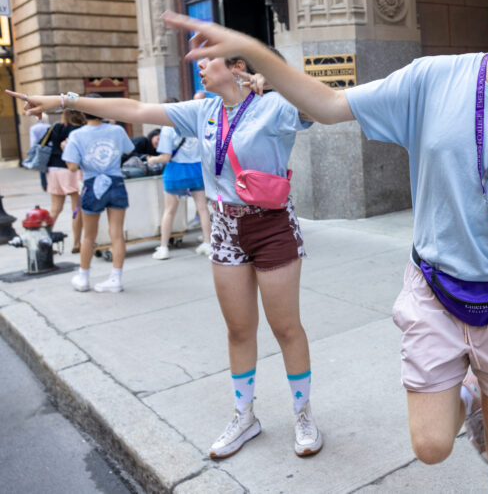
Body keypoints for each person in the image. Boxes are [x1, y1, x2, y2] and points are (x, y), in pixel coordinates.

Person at [166, 0, 488, 492]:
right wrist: (252, 52)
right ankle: (467, 393)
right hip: (435, 289)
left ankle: (483, 401)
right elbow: (327, 105)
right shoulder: (432, 79)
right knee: (431, 446)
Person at [7, 57, 322, 460]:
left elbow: (322, 108)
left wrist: (274, 77)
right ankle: (245, 416)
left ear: (237, 65)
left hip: (271, 225)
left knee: (285, 328)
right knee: (239, 330)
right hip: (225, 228)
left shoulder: (273, 105)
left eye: (210, 60)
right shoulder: (202, 110)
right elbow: (133, 110)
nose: (201, 67)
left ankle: (303, 414)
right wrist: (60, 100)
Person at [61, 95, 135, 293]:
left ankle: (84, 277)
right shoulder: (117, 130)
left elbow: (72, 166)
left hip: (92, 184)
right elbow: (128, 150)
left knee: (88, 236)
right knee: (117, 233)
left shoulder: (77, 136)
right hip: (116, 182)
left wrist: (66, 148)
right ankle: (116, 279)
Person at [148, 98, 212, 260]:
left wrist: (152, 160)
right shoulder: (194, 124)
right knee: (203, 208)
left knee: (169, 211)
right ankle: (208, 242)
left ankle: (163, 247)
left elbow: (165, 156)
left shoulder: (167, 129)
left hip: (176, 171)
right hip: (197, 169)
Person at [45, 108, 86, 253]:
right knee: (76, 209)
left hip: (53, 170)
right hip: (71, 170)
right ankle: (76, 243)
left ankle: (44, 242)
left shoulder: (55, 127)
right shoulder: (79, 130)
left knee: (55, 209)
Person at [29, 115, 51, 191]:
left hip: (40, 149)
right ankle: (50, 183)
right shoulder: (49, 126)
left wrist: (33, 151)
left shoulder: (33, 128)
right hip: (49, 148)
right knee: (50, 167)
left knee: (41, 167)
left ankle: (44, 184)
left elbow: (33, 141)